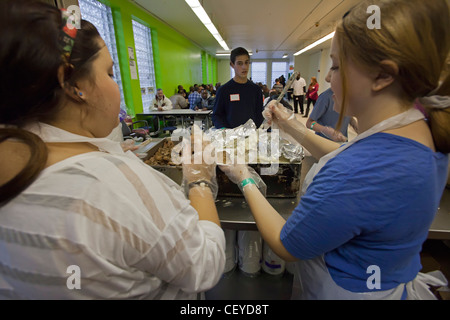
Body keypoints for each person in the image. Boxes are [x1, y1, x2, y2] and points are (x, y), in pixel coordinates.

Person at [219, 0, 450, 299]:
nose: (328, 77)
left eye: (337, 66)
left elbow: (286, 243)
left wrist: (245, 177)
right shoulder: (419, 129)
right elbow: (344, 152)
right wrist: (292, 126)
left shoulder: (358, 173)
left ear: (383, 76)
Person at [0, 0, 225, 299]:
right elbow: (205, 265)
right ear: (71, 84)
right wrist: (199, 180)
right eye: (108, 73)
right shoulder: (112, 186)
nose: (115, 85)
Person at [212, 47, 264, 128]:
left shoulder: (256, 90)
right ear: (232, 65)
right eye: (240, 63)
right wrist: (223, 129)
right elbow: (216, 115)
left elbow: (259, 114)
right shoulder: (224, 90)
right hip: (230, 137)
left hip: (251, 136)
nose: (244, 67)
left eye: (246, 62)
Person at [306, 69, 358, 142]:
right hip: (324, 142)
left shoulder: (349, 96)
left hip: (341, 142)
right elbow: (309, 123)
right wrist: (325, 130)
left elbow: (346, 115)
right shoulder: (325, 97)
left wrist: (355, 126)